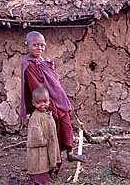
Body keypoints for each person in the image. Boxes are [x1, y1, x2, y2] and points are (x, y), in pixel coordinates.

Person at [20, 31, 85, 167]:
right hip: (46, 101)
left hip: (58, 98)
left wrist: (60, 96)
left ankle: (70, 153)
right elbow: (36, 85)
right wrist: (47, 102)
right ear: (27, 45)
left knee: (66, 125)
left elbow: (53, 81)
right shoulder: (28, 63)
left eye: (42, 45)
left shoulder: (43, 61)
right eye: (35, 45)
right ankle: (54, 162)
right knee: (53, 131)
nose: (39, 48)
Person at [27, 86, 61, 185]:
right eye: (38, 102)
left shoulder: (47, 114)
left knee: (46, 161)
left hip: (48, 144)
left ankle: (46, 175)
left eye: (44, 101)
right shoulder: (35, 117)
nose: (42, 105)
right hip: (40, 146)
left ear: (49, 101)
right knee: (39, 163)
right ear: (33, 103)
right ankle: (40, 180)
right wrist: (42, 141)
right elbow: (34, 132)